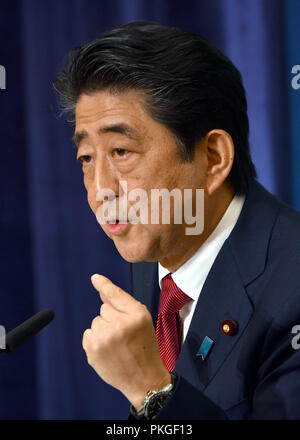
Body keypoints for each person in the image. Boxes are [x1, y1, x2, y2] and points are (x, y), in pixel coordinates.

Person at [53, 21, 300, 420]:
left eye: (120, 151)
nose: (101, 190)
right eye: (86, 158)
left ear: (213, 158)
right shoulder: (162, 246)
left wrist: (152, 392)